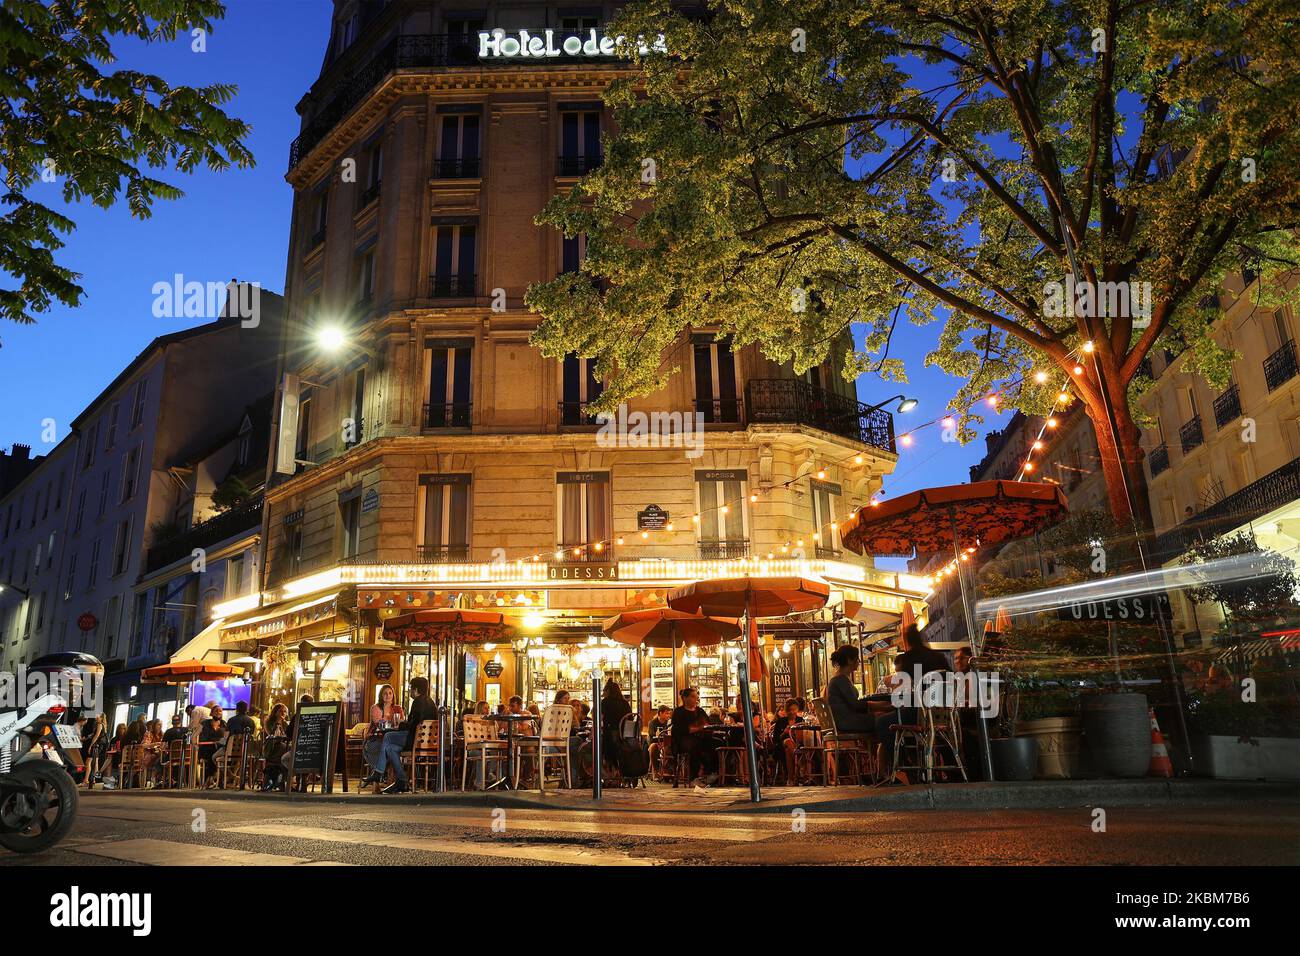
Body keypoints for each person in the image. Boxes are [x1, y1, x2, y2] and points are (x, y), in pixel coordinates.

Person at [875, 626, 950, 781]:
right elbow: (949, 679)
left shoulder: (909, 658)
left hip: (918, 713)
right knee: (935, 732)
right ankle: (948, 769)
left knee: (882, 723)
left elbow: (907, 690)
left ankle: (905, 765)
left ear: (907, 640)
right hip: (943, 713)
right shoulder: (937, 656)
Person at [365, 677, 437, 794]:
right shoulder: (431, 702)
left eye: (410, 688)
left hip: (414, 740)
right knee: (390, 748)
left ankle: (378, 772)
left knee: (388, 737)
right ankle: (401, 781)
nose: (410, 691)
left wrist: (401, 724)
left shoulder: (417, 702)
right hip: (427, 742)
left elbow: (413, 725)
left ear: (416, 689)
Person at [671, 687, 718, 785]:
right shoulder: (678, 712)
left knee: (716, 742)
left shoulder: (700, 711)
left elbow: (708, 724)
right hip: (683, 740)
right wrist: (698, 728)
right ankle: (694, 777)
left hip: (701, 737)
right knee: (695, 745)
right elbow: (681, 730)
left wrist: (704, 728)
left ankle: (712, 772)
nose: (696, 698)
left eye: (696, 696)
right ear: (685, 698)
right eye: (693, 696)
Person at [261, 704, 291, 791]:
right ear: (275, 712)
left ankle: (284, 781)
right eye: (281, 711)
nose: (283, 713)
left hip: (282, 748)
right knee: (286, 749)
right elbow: (272, 736)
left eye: (285, 711)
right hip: (271, 749)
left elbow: (288, 735)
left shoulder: (285, 723)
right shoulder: (269, 722)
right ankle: (282, 782)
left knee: (288, 749)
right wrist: (277, 723)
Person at [600, 679, 632, 757]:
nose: (603, 693)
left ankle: (608, 764)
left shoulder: (605, 702)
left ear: (608, 691)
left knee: (598, 740)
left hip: (611, 734)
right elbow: (630, 718)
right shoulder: (625, 703)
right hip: (625, 735)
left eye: (604, 691)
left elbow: (600, 718)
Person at [197, 710, 227, 786]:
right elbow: (195, 735)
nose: (218, 712)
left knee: (218, 754)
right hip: (205, 748)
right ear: (211, 713)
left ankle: (214, 778)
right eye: (216, 711)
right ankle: (210, 778)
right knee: (211, 754)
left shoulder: (224, 723)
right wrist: (195, 745)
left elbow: (226, 737)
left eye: (220, 711)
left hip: (218, 748)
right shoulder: (205, 723)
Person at [647, 704, 672, 779]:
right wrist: (656, 734)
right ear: (660, 713)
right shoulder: (652, 723)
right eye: (667, 713)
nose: (669, 715)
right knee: (653, 747)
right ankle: (655, 771)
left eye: (669, 713)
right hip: (655, 743)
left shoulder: (668, 723)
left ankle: (666, 771)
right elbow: (651, 734)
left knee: (669, 748)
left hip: (665, 744)